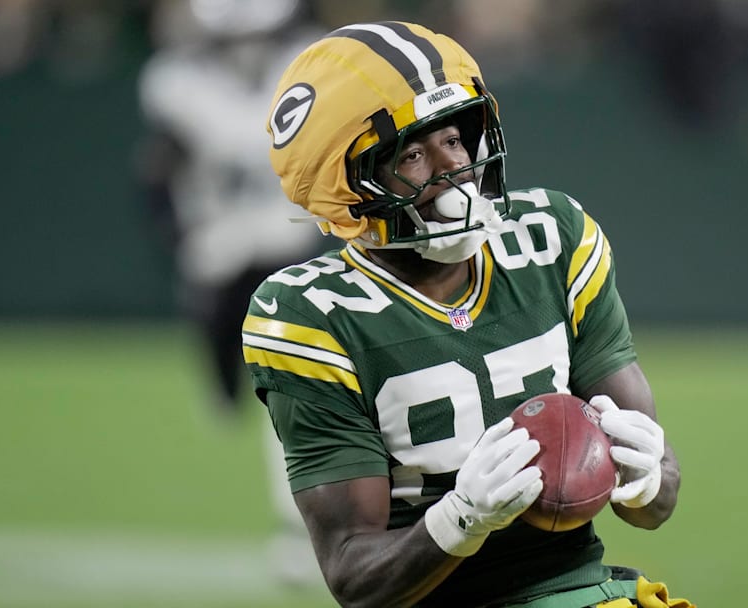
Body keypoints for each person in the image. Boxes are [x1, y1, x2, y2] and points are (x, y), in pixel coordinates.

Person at [242, 20, 694, 607]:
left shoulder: (552, 239)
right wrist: (458, 519)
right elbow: (355, 578)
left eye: (453, 140)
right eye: (412, 154)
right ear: (346, 187)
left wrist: (647, 477)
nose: (452, 169)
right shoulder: (313, 315)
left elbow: (655, 504)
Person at [136, 0, 326, 586]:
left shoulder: (311, 67)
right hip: (220, 253)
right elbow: (156, 175)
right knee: (227, 400)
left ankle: (304, 530)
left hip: (295, 248)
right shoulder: (178, 85)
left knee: (293, 391)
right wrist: (184, 240)